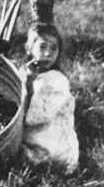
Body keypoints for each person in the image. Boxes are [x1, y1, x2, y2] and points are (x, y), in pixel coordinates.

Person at [20, 22, 79, 174]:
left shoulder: (57, 81)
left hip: (52, 144)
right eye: (42, 47)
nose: (48, 54)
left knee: (41, 161)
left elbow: (39, 115)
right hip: (31, 135)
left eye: (54, 48)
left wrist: (28, 86)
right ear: (29, 49)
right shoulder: (27, 74)